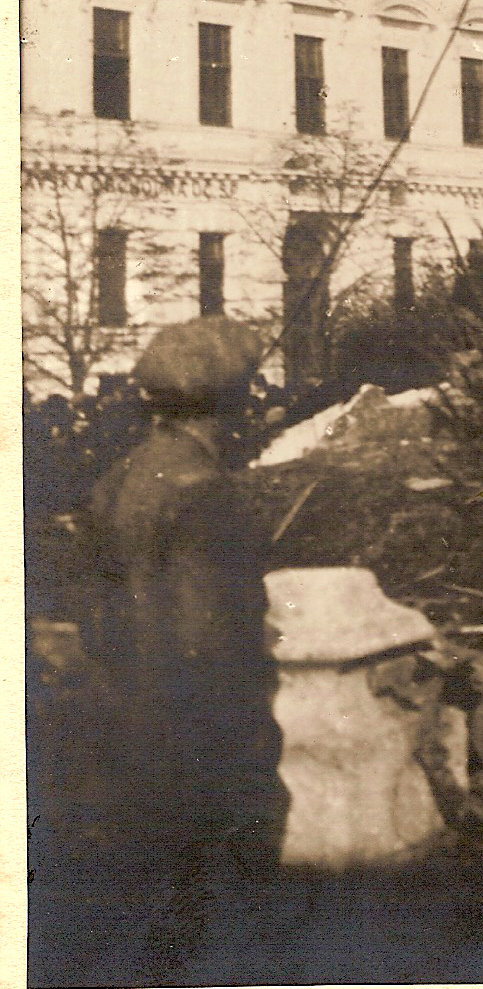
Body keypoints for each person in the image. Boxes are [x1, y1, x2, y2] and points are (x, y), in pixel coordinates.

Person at [83, 316, 289, 974]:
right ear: (231, 402)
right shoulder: (208, 494)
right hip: (203, 753)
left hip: (125, 736)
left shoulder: (118, 481)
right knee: (225, 942)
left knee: (151, 930)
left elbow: (97, 618)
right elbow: (211, 645)